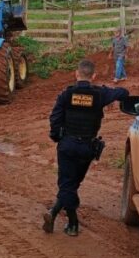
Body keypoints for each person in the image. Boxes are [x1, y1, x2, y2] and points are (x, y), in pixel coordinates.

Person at [44, 60, 130, 236]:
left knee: (68, 184)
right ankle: (69, 222)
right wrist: (109, 93)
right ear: (94, 76)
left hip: (67, 146)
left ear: (76, 75)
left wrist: (57, 138)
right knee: (72, 183)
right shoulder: (100, 94)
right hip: (86, 148)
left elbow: (55, 119)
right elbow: (124, 92)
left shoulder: (66, 95)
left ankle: (62, 217)